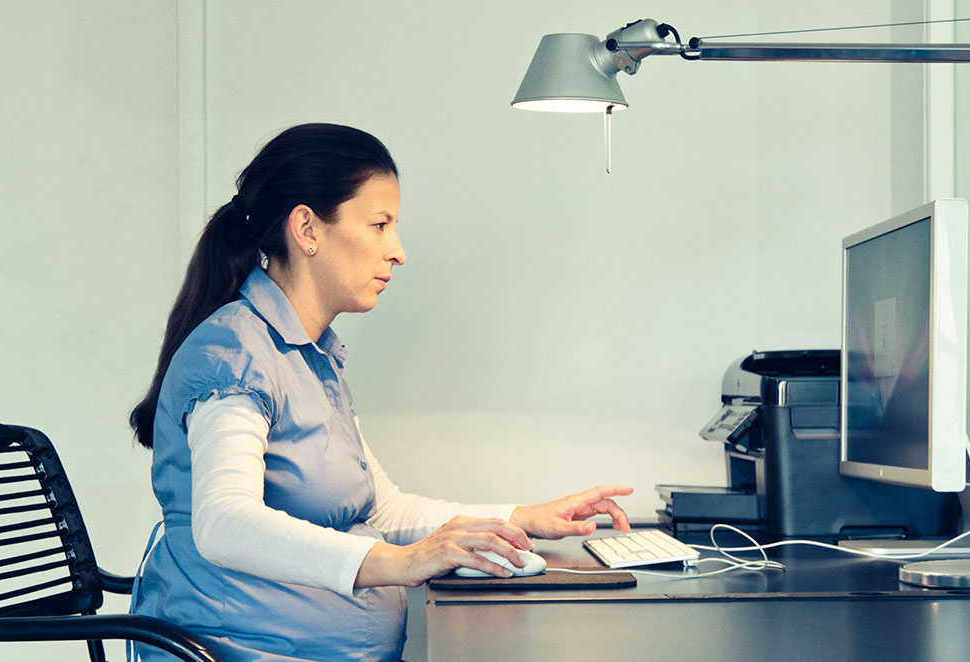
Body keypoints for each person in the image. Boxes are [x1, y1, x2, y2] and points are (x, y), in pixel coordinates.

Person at [126, 123, 632, 662]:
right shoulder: (234, 351)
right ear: (307, 229)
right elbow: (224, 523)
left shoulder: (311, 355)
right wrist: (404, 562)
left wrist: (520, 518)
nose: (398, 252)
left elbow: (383, 511)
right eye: (379, 224)